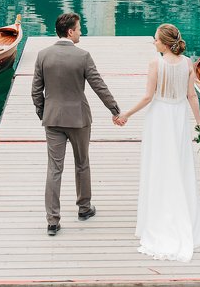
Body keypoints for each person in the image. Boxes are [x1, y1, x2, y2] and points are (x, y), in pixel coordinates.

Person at [118, 23, 200, 261]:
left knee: (159, 165)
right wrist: (199, 123)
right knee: (179, 164)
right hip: (178, 117)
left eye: (156, 39)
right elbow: (191, 96)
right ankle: (184, 215)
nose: (154, 42)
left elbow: (148, 96)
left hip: (160, 117)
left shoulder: (155, 64)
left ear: (165, 43)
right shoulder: (188, 63)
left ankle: (159, 218)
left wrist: (126, 113)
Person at [32, 12, 124, 237]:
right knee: (82, 163)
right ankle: (84, 208)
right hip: (79, 119)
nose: (81, 31)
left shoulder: (43, 55)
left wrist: (45, 113)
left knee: (54, 168)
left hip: (53, 120)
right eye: (79, 28)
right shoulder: (83, 56)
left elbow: (36, 91)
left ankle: (52, 220)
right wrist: (114, 109)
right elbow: (98, 85)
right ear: (70, 31)